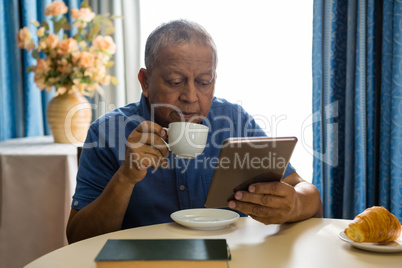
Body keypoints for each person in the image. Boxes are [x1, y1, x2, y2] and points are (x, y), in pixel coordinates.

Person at [66, 19, 323, 243]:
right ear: (145, 82)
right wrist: (125, 178)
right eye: (175, 82)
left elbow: (308, 195)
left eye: (203, 82)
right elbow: (78, 238)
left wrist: (293, 204)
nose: (191, 97)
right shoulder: (107, 133)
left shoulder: (234, 121)